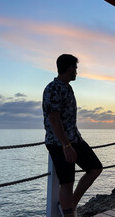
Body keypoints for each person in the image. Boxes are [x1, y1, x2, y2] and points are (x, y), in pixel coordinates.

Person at [43, 54, 103, 217]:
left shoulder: (67, 87)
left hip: (74, 139)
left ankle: (70, 205)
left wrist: (71, 142)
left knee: (95, 168)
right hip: (59, 142)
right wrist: (66, 145)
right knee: (67, 182)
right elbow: (54, 119)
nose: (77, 71)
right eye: (75, 68)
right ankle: (69, 213)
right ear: (70, 68)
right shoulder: (53, 88)